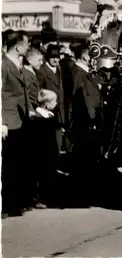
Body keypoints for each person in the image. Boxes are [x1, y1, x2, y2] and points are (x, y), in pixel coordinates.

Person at [2, 30, 31, 216]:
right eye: (26, 43)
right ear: (18, 45)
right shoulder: (3, 65)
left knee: (17, 163)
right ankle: (8, 205)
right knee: (9, 165)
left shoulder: (17, 64)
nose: (28, 47)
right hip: (9, 121)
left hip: (20, 119)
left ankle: (16, 202)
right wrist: (1, 122)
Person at [68, 43, 103, 193]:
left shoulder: (84, 72)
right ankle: (82, 189)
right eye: (91, 55)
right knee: (83, 157)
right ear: (84, 56)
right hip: (84, 122)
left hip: (88, 121)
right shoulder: (78, 73)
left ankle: (86, 187)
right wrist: (91, 119)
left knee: (88, 156)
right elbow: (80, 98)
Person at [28, 89, 60, 209]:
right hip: (42, 151)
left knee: (48, 173)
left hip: (50, 150)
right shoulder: (38, 118)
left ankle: (47, 196)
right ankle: (37, 198)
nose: (56, 104)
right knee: (40, 175)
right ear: (47, 104)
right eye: (54, 102)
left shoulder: (50, 116)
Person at [37, 44, 66, 153]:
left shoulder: (59, 69)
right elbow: (40, 93)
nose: (55, 59)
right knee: (48, 144)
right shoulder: (42, 71)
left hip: (59, 112)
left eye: (57, 57)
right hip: (48, 111)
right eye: (53, 57)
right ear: (48, 57)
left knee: (57, 143)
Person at [24, 46, 44, 113]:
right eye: (39, 60)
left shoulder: (33, 72)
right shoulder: (26, 75)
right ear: (29, 60)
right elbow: (26, 96)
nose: (42, 63)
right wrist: (31, 110)